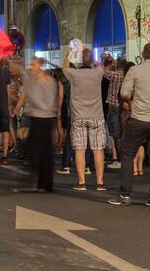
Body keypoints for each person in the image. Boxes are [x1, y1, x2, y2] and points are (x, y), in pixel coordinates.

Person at [109, 43, 150, 207]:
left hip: (139, 118)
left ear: (143, 54)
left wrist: (132, 101)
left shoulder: (135, 70)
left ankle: (125, 194)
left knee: (127, 154)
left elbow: (124, 93)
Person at [12, 57, 62, 193]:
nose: (31, 67)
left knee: (36, 151)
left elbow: (33, 95)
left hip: (42, 118)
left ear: (40, 65)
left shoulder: (42, 80)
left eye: (33, 64)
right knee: (45, 152)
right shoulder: (47, 80)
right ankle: (45, 184)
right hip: (45, 118)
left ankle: (34, 181)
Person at [63, 49, 108, 191]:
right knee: (98, 149)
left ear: (79, 61)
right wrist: (93, 59)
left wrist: (69, 53)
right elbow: (99, 64)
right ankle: (100, 183)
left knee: (80, 150)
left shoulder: (74, 74)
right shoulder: (98, 72)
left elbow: (64, 67)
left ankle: (82, 182)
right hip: (96, 116)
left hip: (79, 117)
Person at [102, 54, 125, 168]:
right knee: (120, 133)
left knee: (114, 134)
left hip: (113, 107)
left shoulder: (115, 75)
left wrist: (105, 60)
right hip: (123, 107)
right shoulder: (127, 75)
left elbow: (101, 70)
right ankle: (120, 159)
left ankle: (117, 160)